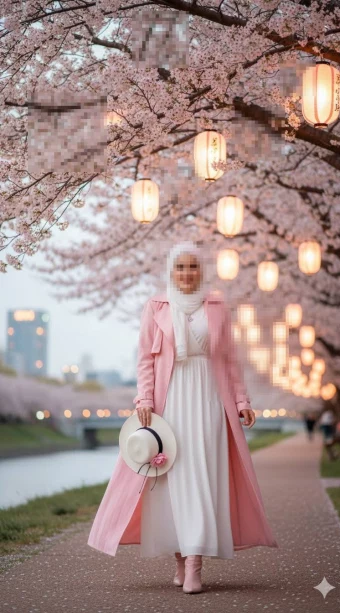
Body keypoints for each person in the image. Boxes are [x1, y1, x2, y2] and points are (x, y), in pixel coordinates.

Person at [87, 240, 278, 593]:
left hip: (208, 400)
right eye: (180, 267)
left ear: (201, 271)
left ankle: (195, 563)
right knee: (171, 480)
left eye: (193, 267)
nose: (187, 273)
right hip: (169, 401)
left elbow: (230, 361)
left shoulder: (218, 307)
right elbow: (145, 358)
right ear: (170, 271)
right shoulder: (156, 307)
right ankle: (179, 556)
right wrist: (143, 396)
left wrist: (241, 401)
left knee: (203, 476)